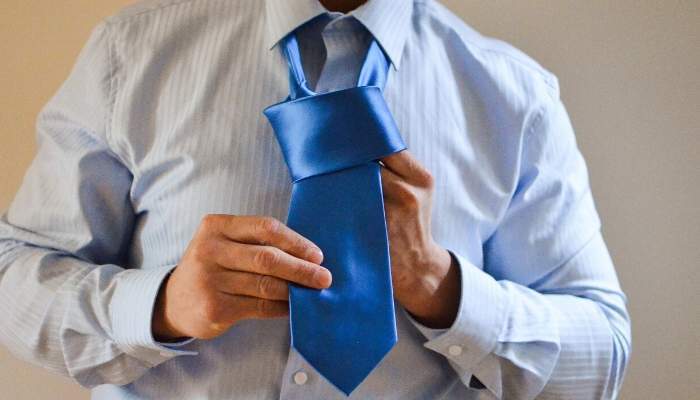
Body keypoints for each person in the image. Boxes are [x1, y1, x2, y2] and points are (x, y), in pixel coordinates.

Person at [0, 0, 631, 398]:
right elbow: (14, 276)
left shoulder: (514, 96)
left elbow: (602, 354)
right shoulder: (131, 56)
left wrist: (443, 288)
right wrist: (161, 307)